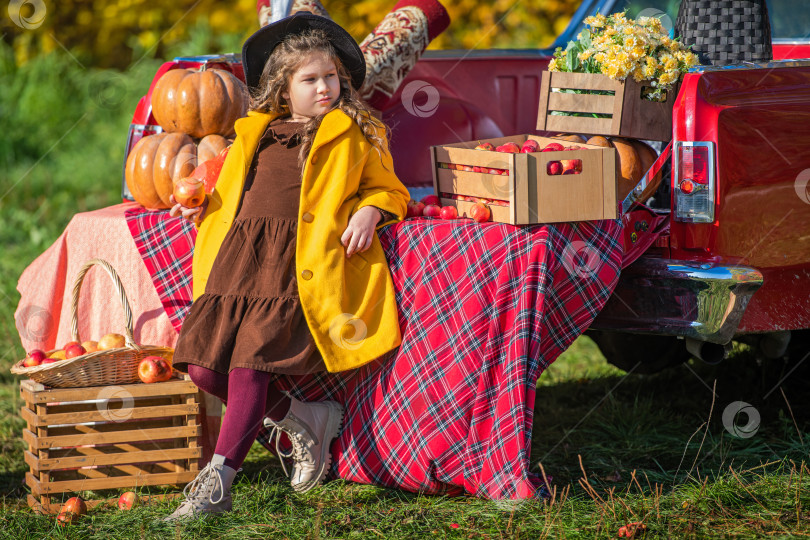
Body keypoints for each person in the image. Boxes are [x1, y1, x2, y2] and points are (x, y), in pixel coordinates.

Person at [163, 12, 410, 520]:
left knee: (251, 362)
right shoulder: (255, 133)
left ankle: (217, 482)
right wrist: (196, 201)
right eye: (311, 79)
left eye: (332, 77)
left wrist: (370, 209)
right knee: (206, 371)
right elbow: (224, 188)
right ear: (283, 87)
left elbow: (390, 188)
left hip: (295, 265)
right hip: (239, 262)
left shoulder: (354, 132)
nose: (326, 87)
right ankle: (302, 418)